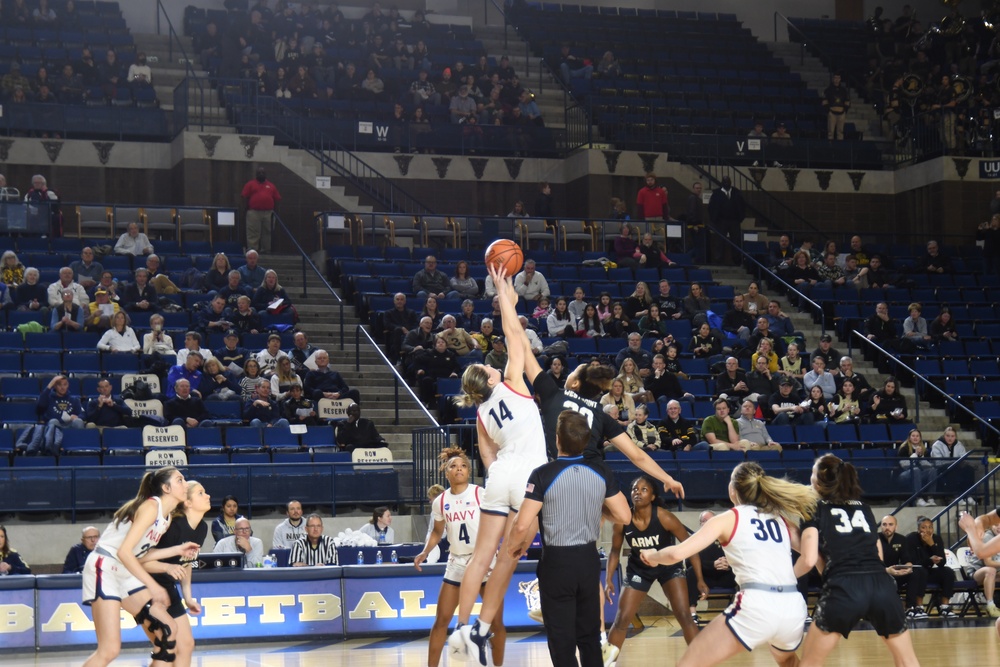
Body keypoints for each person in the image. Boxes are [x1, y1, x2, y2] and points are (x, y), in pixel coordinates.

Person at [446, 264, 548, 667]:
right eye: (488, 366)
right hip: (529, 475)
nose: (492, 364)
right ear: (488, 377)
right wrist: (505, 290)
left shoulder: (481, 415)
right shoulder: (512, 382)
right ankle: (484, 628)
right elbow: (514, 334)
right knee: (512, 553)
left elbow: (486, 459)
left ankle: (464, 629)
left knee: (482, 556)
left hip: (500, 475)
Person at [638, 462, 816, 667]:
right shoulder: (782, 520)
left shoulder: (726, 519)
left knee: (689, 662)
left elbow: (676, 554)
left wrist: (653, 555)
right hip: (793, 606)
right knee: (788, 661)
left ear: (733, 490)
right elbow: (813, 557)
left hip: (758, 604)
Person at [506, 410, 632, 667]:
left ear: (557, 439)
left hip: (556, 563)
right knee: (589, 637)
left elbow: (521, 526)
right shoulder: (601, 471)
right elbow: (625, 516)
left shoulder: (542, 474)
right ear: (586, 441)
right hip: (588, 560)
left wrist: (513, 548)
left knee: (561, 640)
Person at [795, 454, 920, 667]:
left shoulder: (812, 507)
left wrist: (782, 578)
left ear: (817, 481)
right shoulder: (863, 507)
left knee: (809, 663)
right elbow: (877, 551)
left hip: (844, 586)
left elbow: (808, 559)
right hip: (881, 585)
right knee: (907, 661)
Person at [80, 467, 198, 667]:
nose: (185, 484)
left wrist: (177, 550)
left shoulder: (166, 518)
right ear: (166, 488)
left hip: (123, 570)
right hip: (105, 565)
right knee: (109, 649)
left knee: (167, 629)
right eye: (180, 480)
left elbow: (141, 554)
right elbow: (124, 551)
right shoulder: (151, 507)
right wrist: (152, 585)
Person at [415, 447, 507, 667]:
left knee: (496, 623)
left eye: (463, 465)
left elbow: (498, 521)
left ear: (469, 471)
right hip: (456, 562)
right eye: (453, 466)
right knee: (441, 621)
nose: (458, 469)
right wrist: (425, 551)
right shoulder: (441, 502)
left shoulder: (480, 493)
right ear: (446, 473)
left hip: (484, 560)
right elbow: (438, 532)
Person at [606, 475, 704, 665]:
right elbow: (615, 551)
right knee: (622, 619)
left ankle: (701, 661)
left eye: (644, 490)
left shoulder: (664, 517)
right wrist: (609, 578)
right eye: (635, 489)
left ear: (652, 496)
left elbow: (691, 545)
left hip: (668, 568)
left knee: (684, 615)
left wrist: (699, 578)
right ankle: (608, 663)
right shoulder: (623, 520)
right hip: (639, 569)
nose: (638, 492)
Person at [139, 480, 211, 667]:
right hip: (145, 587)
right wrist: (166, 567)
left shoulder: (202, 527)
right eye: (201, 493)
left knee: (186, 644)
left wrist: (188, 597)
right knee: (166, 646)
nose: (208, 496)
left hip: (168, 587)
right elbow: (140, 562)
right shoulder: (173, 526)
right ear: (187, 502)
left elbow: (187, 563)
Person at [686, 510, 737, 623]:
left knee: (742, 571)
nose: (705, 523)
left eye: (709, 520)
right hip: (704, 580)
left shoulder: (727, 538)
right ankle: (692, 613)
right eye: (703, 521)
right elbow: (688, 562)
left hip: (726, 577)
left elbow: (739, 556)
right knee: (690, 571)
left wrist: (729, 562)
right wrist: (712, 565)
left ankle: (741, 612)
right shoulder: (695, 540)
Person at [879, 514, 930, 620]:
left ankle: (910, 607)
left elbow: (906, 559)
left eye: (890, 524)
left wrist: (908, 567)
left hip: (895, 573)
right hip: (880, 574)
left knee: (916, 572)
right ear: (881, 526)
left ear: (896, 527)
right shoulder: (875, 539)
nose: (887, 527)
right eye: (884, 524)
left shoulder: (901, 539)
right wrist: (887, 571)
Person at [906, 516, 957, 617]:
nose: (927, 530)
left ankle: (944, 607)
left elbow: (942, 562)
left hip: (929, 572)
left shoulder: (937, 539)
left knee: (948, 572)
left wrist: (932, 544)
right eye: (924, 527)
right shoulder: (911, 538)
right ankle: (919, 606)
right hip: (916, 573)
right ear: (918, 529)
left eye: (930, 527)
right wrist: (929, 560)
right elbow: (912, 562)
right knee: (921, 571)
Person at [28, 375, 84, 456]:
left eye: (65, 385)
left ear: (68, 385)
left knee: (78, 421)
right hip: (55, 427)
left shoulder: (74, 400)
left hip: (69, 425)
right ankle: (51, 449)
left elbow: (83, 414)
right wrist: (49, 385)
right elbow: (39, 407)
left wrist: (77, 417)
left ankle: (78, 448)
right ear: (54, 386)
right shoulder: (49, 398)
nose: (62, 387)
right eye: (59, 385)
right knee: (53, 421)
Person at [241, 167, 281, 253]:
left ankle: (266, 250)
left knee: (268, 232)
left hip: (269, 212)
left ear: (265, 174)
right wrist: (245, 210)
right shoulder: (250, 184)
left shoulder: (271, 186)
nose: (261, 174)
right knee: (253, 232)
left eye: (263, 173)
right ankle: (252, 250)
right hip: (253, 212)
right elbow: (245, 197)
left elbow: (276, 199)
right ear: (256, 174)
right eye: (259, 173)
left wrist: (275, 212)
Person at [707, 176, 745, 265]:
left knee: (736, 241)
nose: (727, 183)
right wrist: (714, 219)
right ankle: (718, 260)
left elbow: (742, 206)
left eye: (728, 181)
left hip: (734, 221)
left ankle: (736, 260)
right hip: (721, 221)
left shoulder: (736, 193)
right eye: (725, 181)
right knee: (719, 241)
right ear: (722, 182)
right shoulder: (716, 193)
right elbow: (711, 207)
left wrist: (740, 218)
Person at [823, 73, 851, 140]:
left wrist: (845, 110)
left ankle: (840, 147)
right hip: (832, 113)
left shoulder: (844, 90)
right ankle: (830, 147)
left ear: (840, 79)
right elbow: (824, 101)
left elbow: (847, 101)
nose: (836, 80)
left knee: (840, 132)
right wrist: (828, 111)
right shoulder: (828, 90)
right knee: (830, 132)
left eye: (838, 78)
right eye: (835, 78)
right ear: (833, 79)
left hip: (841, 113)